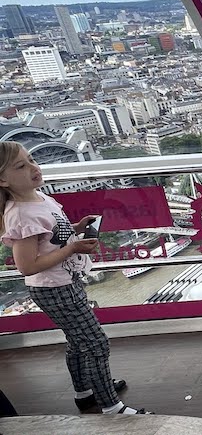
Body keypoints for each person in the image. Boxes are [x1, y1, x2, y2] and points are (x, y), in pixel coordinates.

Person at [0, 141, 142, 415]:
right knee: (97, 344)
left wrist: (75, 229)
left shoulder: (40, 198)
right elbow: (27, 266)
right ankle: (111, 406)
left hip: (63, 282)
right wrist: (72, 248)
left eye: (31, 159)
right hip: (54, 288)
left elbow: (50, 237)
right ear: (3, 180)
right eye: (21, 166)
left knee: (78, 342)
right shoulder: (22, 214)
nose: (33, 167)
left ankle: (86, 392)